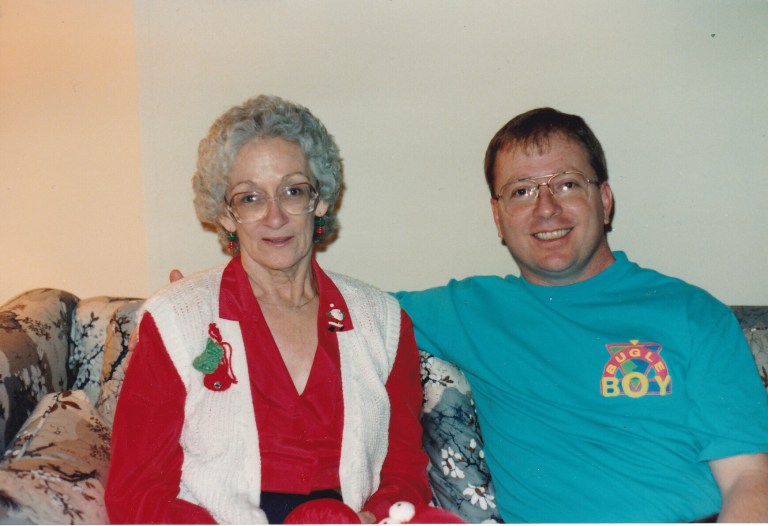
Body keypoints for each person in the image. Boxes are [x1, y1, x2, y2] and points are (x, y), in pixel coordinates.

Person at [394, 107, 768, 522]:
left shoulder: (693, 314)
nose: (546, 208)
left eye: (567, 184)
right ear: (498, 217)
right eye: (522, 191)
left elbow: (748, 477)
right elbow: (341, 307)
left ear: (604, 201)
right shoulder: (468, 310)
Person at [105, 95, 431, 524]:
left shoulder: (383, 321)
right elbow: (136, 493)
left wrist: (371, 518)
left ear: (320, 201)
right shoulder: (175, 320)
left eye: (293, 191)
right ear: (225, 215)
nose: (275, 217)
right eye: (250, 198)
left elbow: (404, 470)